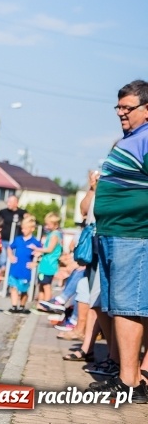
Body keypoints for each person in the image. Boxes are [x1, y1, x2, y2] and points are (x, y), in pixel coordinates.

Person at [86, 80, 148, 401]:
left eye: (128, 108)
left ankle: (130, 383)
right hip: (116, 234)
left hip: (133, 235)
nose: (121, 113)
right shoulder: (132, 139)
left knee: (129, 308)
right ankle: (130, 376)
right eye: (119, 107)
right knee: (120, 307)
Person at [4, 214, 38, 315]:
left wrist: (35, 262)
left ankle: (22, 307)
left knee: (23, 290)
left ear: (32, 229)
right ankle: (14, 306)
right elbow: (10, 247)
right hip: (15, 268)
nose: (23, 230)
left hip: (25, 271)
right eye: (22, 228)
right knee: (13, 288)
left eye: (26, 228)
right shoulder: (18, 239)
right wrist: (10, 256)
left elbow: (40, 253)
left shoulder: (35, 242)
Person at [32, 212, 62, 303]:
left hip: (49, 264)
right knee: (41, 284)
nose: (47, 226)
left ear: (55, 225)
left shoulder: (54, 235)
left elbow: (49, 249)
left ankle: (46, 304)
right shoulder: (52, 234)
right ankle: (40, 304)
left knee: (46, 285)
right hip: (46, 263)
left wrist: (37, 249)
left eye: (49, 224)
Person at [0, 195, 26, 272]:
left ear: (16, 203)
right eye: (8, 202)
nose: (8, 204)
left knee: (12, 258)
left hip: (15, 241)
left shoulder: (22, 213)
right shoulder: (3, 212)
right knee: (3, 258)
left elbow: (29, 220)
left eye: (10, 202)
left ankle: (9, 272)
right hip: (4, 239)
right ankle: (2, 270)